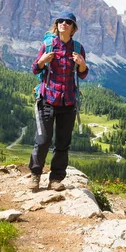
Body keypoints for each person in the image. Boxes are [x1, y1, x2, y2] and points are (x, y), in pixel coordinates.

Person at [28, 11, 88, 191]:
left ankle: (55, 179)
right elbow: (35, 70)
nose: (64, 23)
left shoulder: (78, 48)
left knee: (63, 143)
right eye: (60, 21)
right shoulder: (47, 45)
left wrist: (82, 64)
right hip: (47, 99)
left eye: (68, 22)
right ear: (57, 25)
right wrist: (42, 61)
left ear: (73, 27)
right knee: (42, 139)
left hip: (68, 103)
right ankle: (35, 175)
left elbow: (83, 74)